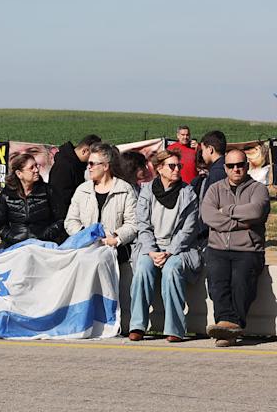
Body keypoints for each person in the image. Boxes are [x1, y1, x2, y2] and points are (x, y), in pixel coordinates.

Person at [128, 150, 203, 343]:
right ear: (160, 168)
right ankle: (137, 325)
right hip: (151, 247)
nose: (177, 169)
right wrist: (152, 251)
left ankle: (175, 328)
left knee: (171, 270)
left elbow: (188, 230)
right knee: (143, 268)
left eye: (179, 166)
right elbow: (142, 225)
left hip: (179, 248)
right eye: (172, 166)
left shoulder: (188, 194)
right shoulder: (147, 191)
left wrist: (169, 252)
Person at [200, 149, 270, 347]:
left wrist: (226, 211)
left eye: (240, 164)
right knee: (217, 283)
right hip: (217, 248)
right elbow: (208, 216)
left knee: (241, 281)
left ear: (247, 166)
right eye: (231, 166)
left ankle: (230, 326)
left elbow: (256, 211)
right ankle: (227, 326)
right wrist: (241, 221)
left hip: (248, 249)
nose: (236, 169)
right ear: (225, 168)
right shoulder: (214, 189)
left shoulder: (258, 189)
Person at [64, 143, 138, 261]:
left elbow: (132, 223)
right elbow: (71, 221)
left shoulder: (125, 190)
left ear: (105, 166)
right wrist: (85, 235)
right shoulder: (82, 190)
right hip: (84, 248)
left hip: (114, 249)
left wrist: (116, 238)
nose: (89, 167)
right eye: (88, 163)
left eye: (92, 163)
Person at [0, 153, 62, 247]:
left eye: (36, 166)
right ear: (19, 174)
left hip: (43, 245)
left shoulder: (48, 191)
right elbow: (0, 225)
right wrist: (12, 238)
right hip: (15, 245)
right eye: (31, 168)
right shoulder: (6, 195)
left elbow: (60, 219)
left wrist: (44, 236)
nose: (36, 170)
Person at [47, 134, 100, 220]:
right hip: (66, 220)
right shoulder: (64, 167)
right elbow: (60, 198)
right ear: (85, 151)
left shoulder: (76, 165)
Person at [195, 130, 227, 195]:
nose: (202, 154)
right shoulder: (228, 166)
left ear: (210, 149)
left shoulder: (216, 173)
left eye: (203, 150)